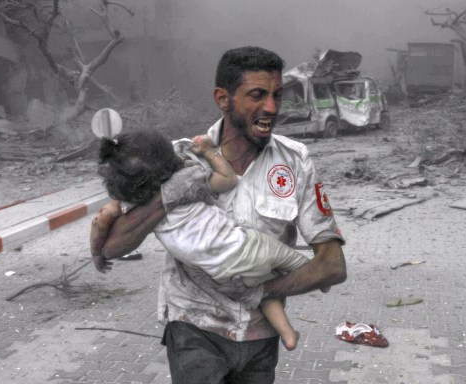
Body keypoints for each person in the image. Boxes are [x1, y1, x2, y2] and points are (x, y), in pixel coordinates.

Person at [90, 46, 346, 383]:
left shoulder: (296, 162)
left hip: (260, 338)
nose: (271, 107)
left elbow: (332, 265)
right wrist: (167, 197)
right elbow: (112, 247)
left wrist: (261, 292)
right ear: (223, 98)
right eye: (257, 95)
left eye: (277, 95)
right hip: (195, 330)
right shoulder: (174, 161)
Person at [95, 130, 313, 350]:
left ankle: (288, 334)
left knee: (261, 292)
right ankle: (316, 274)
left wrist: (96, 254)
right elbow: (228, 179)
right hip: (240, 253)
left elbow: (100, 222)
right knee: (284, 258)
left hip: (218, 273)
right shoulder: (186, 175)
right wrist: (209, 152)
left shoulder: (132, 201)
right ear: (222, 96)